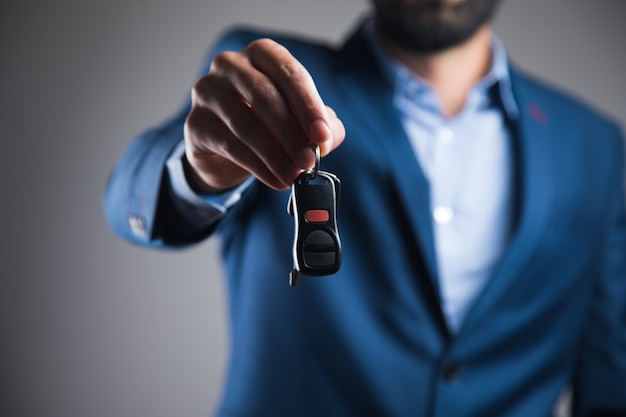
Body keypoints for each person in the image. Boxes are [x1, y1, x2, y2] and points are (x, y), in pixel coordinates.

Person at [103, 0, 626, 415]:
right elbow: (133, 193)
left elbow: (611, 386)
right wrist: (199, 169)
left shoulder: (594, 147)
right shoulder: (270, 84)